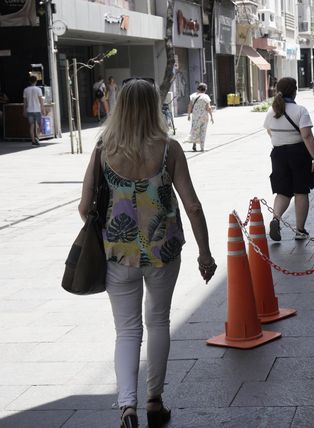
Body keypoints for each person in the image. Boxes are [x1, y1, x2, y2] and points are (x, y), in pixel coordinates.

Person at [78, 78, 216, 428]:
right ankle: (155, 401)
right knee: (158, 322)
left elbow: (84, 206)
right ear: (154, 106)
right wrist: (205, 253)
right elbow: (193, 206)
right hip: (163, 250)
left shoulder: (103, 148)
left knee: (126, 330)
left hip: (117, 253)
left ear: (120, 106)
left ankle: (127, 406)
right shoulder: (169, 149)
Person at [263, 77, 314, 241]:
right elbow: (307, 136)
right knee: (301, 191)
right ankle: (300, 230)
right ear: (294, 91)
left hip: (278, 154)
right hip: (298, 153)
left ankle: (276, 219)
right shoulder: (300, 111)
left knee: (282, 191)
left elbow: (269, 131)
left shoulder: (271, 111)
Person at [186, 83, 214, 152]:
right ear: (205, 89)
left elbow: (189, 106)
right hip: (204, 117)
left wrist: (189, 115)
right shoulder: (206, 97)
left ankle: (194, 144)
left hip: (195, 117)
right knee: (203, 131)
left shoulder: (193, 96)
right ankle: (202, 147)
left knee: (195, 130)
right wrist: (211, 116)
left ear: (198, 89)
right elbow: (208, 108)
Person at [23, 74, 45, 146]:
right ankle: (37, 138)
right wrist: (43, 109)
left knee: (31, 125)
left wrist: (24, 110)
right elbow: (41, 100)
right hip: (37, 110)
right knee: (40, 125)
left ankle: (33, 141)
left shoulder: (25, 90)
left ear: (29, 81)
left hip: (29, 110)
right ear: (36, 81)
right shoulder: (38, 89)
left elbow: (25, 102)